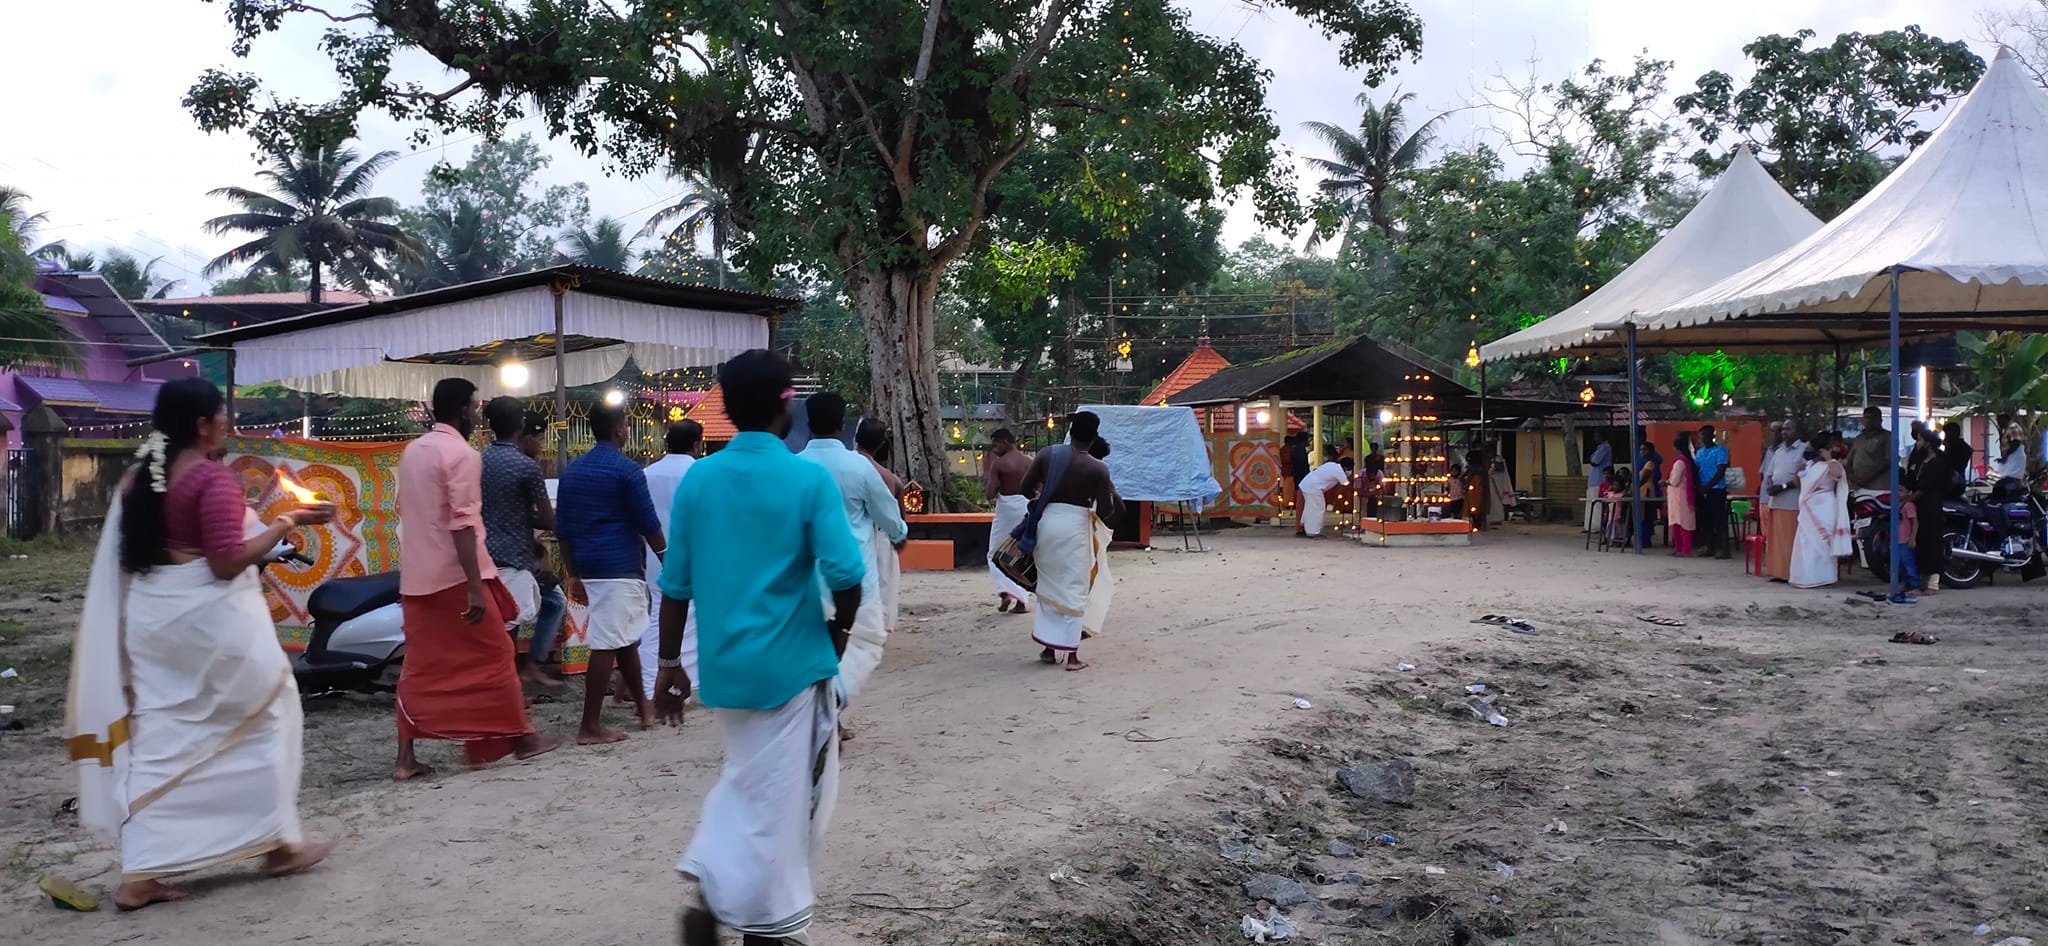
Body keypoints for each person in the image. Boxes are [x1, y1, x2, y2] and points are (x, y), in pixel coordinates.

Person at [65, 377, 336, 909]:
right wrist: (282, 522)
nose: (227, 426)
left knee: (165, 732)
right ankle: (277, 845)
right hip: (206, 624)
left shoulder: (137, 479)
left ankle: (141, 872)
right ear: (202, 426)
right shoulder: (211, 479)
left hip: (153, 618)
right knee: (270, 710)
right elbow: (226, 561)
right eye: (222, 416)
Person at [653, 349, 865, 946]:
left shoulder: (701, 478)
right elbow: (847, 576)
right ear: (786, 404)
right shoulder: (805, 479)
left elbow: (676, 585)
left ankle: (725, 897)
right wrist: (837, 633)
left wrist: (670, 665)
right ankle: (743, 910)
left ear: (722, 406)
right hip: (793, 668)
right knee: (780, 800)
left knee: (749, 781)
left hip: (726, 670)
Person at [393, 378, 559, 780]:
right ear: (465, 410)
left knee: (421, 665)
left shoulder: (413, 452)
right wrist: (472, 585)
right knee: (498, 656)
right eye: (473, 407)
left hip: (417, 576)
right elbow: (463, 524)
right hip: (457, 576)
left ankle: (405, 760)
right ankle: (521, 738)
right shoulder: (461, 455)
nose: (475, 414)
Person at [554, 403, 667, 744]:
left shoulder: (573, 471)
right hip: (619, 565)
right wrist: (668, 558)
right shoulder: (627, 470)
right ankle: (590, 726)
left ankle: (644, 708)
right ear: (619, 430)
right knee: (607, 642)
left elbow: (563, 528)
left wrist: (572, 573)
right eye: (627, 425)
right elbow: (648, 522)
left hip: (588, 565)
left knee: (624, 637)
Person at [797, 392, 906, 708]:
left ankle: (827, 714)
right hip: (856, 579)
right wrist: (900, 533)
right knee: (867, 644)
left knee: (814, 651)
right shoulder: (858, 467)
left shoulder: (795, 466)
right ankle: (835, 701)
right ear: (842, 424)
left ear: (808, 423)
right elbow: (889, 517)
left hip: (807, 581)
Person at [1018, 411, 1124, 670]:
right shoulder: (1097, 467)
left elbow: (1025, 487)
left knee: (1049, 584)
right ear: (1094, 436)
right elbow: (1107, 510)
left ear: (1071, 431)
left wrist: (1044, 498)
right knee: (1074, 587)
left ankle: (1048, 648)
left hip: (1046, 524)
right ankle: (1073, 656)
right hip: (1075, 527)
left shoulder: (1047, 454)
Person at [479, 397, 561, 691]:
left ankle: (507, 686)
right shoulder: (527, 467)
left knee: (499, 629)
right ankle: (511, 690)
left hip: (482, 557)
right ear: (520, 427)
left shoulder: (479, 460)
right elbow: (548, 520)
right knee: (509, 629)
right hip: (513, 558)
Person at [637, 420, 703, 704]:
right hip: (694, 554)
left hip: (655, 556)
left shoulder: (646, 474)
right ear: (697, 444)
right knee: (693, 619)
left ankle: (651, 680)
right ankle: (691, 683)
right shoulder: (700, 472)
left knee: (655, 620)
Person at [856, 416, 906, 637]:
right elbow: (899, 517)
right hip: (884, 533)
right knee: (884, 580)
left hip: (855, 533)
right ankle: (882, 622)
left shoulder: (846, 466)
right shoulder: (889, 478)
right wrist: (899, 535)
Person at [1791, 434, 1852, 589]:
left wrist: (1829, 458)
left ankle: (1824, 577)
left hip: (1825, 507)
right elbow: (1800, 484)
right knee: (1807, 542)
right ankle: (1806, 577)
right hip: (1808, 507)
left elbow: (1838, 474)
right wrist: (1798, 471)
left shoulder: (1832, 464)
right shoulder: (1810, 465)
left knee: (1823, 543)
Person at [983, 428, 1034, 613]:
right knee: (1020, 554)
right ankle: (1021, 600)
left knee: (995, 552)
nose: (994, 449)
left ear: (1005, 442)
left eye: (995, 444)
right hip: (1025, 508)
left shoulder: (999, 464)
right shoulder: (1029, 462)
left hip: (1006, 509)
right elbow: (1039, 487)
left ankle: (1005, 592)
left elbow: (989, 494)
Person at [1760, 419, 1807, 582]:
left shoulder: (1804, 450)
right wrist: (1772, 484)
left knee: (1789, 541)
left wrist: (1784, 487)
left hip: (1792, 502)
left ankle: (1789, 573)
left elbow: (1805, 477)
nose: (1784, 432)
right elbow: (1770, 473)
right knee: (1775, 541)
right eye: (1783, 430)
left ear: (1797, 431)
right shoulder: (1778, 451)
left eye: (1789, 429)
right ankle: (1777, 572)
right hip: (1776, 501)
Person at [1082, 437, 1119, 640]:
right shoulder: (1099, 471)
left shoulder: (1066, 467)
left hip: (1063, 527)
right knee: (1093, 574)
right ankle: (1085, 621)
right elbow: (1114, 506)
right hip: (1090, 529)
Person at [1911, 428, 1952, 595]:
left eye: (1920, 440)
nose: (1917, 443)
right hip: (1920, 505)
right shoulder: (1922, 459)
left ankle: (1933, 583)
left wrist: (1909, 499)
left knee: (1932, 542)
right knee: (1921, 542)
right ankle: (1921, 581)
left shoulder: (1939, 461)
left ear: (1927, 442)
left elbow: (1926, 486)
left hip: (1932, 505)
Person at [1694, 425, 1732, 559]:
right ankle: (1709, 547)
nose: (1702, 438)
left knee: (1720, 520)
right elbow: (1697, 469)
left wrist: (1708, 485)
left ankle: (1724, 549)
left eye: (1705, 434)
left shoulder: (1721, 450)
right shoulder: (1699, 452)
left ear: (1712, 435)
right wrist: (1699, 486)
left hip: (1717, 489)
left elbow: (1721, 470)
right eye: (1700, 435)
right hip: (1703, 490)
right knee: (1706, 520)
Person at [1297, 449, 1351, 537]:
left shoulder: (1331, 464)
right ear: (1346, 468)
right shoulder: (1339, 471)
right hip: (1314, 488)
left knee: (1310, 507)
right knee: (1318, 509)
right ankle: (1313, 532)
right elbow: (1346, 484)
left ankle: (1305, 527)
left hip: (1307, 484)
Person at [1845, 406, 1894, 494]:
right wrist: (1852, 477)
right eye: (1867, 417)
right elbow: (1849, 462)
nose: (1870, 420)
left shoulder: (1888, 437)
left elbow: (1888, 461)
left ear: (1880, 420)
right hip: (1857, 487)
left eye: (1874, 417)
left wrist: (1868, 477)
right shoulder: (1858, 439)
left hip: (1878, 488)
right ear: (1863, 420)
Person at [1665, 433, 1698, 557]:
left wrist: (1666, 482)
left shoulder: (1680, 462)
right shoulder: (1686, 460)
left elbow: (1674, 480)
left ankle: (1684, 549)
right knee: (1679, 522)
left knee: (1682, 523)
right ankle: (1680, 548)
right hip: (1678, 496)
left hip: (1680, 496)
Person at [1635, 441, 1663, 548]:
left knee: (1645, 517)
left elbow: (1644, 477)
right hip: (1641, 490)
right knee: (1642, 517)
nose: (1642, 452)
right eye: (1641, 449)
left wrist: (1634, 487)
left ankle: (1645, 541)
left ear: (1651, 451)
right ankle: (1643, 540)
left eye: (1644, 449)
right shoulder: (1641, 461)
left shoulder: (1650, 462)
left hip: (1646, 491)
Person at [1584, 436, 1613, 532]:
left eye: (1597, 435)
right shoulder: (1599, 447)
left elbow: (1594, 461)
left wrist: (1591, 458)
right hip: (1593, 480)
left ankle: (1596, 526)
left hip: (1599, 480)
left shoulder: (1605, 447)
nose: (1595, 437)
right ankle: (1590, 526)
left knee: (1597, 505)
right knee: (1591, 503)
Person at [1287, 432, 1312, 533]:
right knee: (1301, 505)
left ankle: (1301, 526)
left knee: (1301, 504)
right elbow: (1303, 467)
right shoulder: (1299, 450)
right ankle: (1300, 527)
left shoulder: (1297, 450)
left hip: (1300, 479)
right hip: (1302, 480)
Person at [1944, 421, 1975, 497]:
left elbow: (1955, 465)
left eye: (1947, 434)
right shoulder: (1950, 446)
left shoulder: (1961, 448)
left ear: (1954, 434)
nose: (1945, 437)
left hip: (1955, 483)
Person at [1362, 442, 1386, 517]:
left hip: (1378, 476)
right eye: (1373, 448)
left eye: (1375, 448)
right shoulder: (1368, 458)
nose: (1374, 449)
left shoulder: (1381, 458)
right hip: (1369, 477)